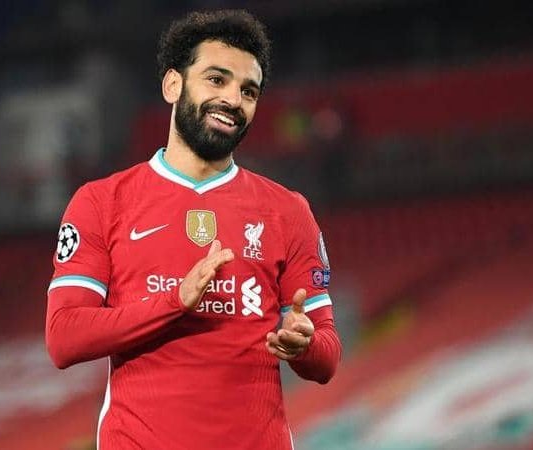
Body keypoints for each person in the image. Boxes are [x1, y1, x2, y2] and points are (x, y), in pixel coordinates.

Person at [45, 10, 342, 450]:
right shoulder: (102, 202)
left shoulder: (287, 211)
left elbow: (327, 356)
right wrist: (174, 302)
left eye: (248, 90)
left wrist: (305, 345)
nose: (233, 99)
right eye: (216, 79)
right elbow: (64, 337)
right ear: (173, 85)